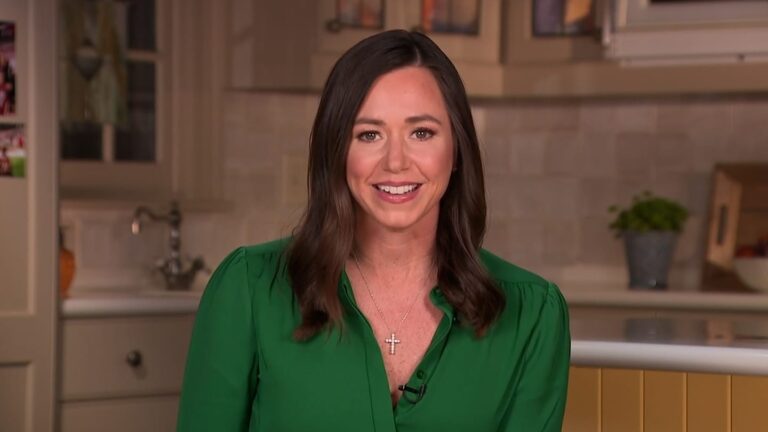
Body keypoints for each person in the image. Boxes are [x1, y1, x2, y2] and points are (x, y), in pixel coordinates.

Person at [177, 30, 570, 432]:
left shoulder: (533, 314)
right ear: (337, 151)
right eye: (369, 134)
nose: (395, 162)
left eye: (421, 132)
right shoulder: (248, 290)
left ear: (456, 151)